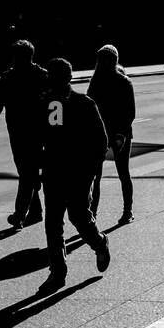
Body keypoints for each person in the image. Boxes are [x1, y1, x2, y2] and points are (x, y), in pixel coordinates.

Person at [39, 58, 110, 288]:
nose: (49, 80)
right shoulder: (51, 103)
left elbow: (101, 141)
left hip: (78, 173)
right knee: (53, 223)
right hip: (54, 172)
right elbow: (47, 136)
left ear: (66, 79)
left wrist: (90, 170)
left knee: (79, 217)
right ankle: (57, 273)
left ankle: (99, 243)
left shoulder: (83, 103)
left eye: (53, 76)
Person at [0, 39, 48, 229]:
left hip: (31, 133)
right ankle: (35, 211)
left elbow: (55, 103)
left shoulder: (20, 77)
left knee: (27, 173)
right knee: (27, 172)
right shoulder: (37, 75)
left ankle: (20, 214)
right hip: (23, 132)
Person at [87, 44, 136, 225]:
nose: (104, 62)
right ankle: (98, 212)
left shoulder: (120, 82)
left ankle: (122, 210)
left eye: (106, 59)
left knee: (113, 174)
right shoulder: (101, 81)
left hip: (114, 133)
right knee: (102, 175)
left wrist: (120, 135)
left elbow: (130, 113)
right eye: (102, 59)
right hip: (105, 133)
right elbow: (90, 108)